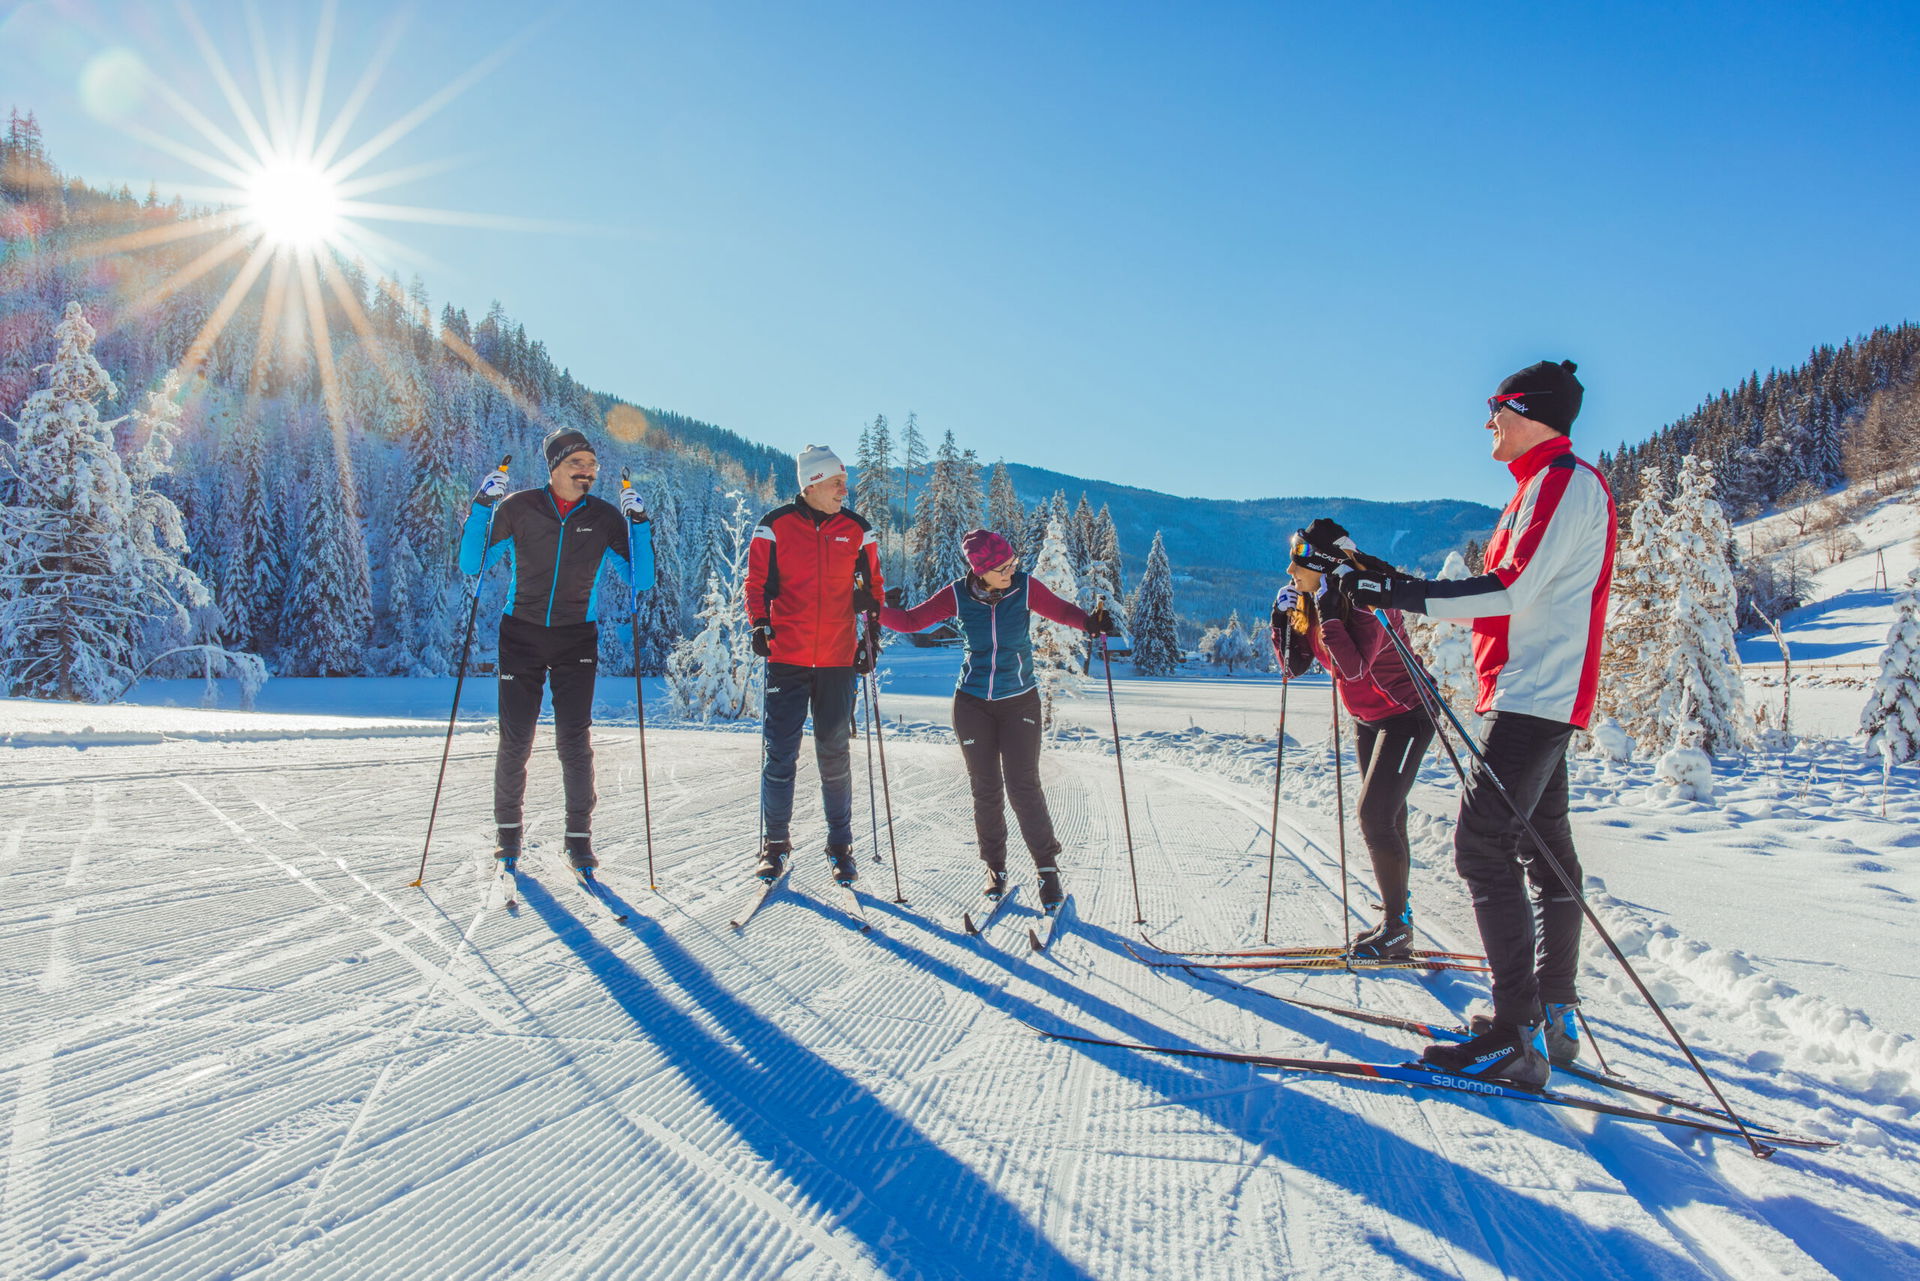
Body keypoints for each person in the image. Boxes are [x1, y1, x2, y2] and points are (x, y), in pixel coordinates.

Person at [1327, 359, 1614, 1090]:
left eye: (1497, 406)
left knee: (1482, 845)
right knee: (1546, 853)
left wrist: (1400, 590)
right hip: (1534, 693)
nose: (1487, 420)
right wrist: (1387, 577)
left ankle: (1514, 1032)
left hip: (1535, 695)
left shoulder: (1561, 482)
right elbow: (1504, 590)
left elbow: (1507, 591)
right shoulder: (1540, 487)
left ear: (1532, 411)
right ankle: (1550, 1010)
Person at [880, 529, 1118, 910]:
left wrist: (1091, 623)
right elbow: (910, 622)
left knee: (1023, 785)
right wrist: (868, 608)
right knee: (985, 789)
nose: (1012, 571)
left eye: (1013, 564)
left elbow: (1061, 611)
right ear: (981, 569)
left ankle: (1047, 868)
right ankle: (995, 867)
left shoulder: (1024, 588)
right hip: (971, 703)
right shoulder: (957, 595)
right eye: (1004, 567)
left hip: (1019, 701)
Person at [461, 428, 655, 871]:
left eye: (592, 465)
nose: (587, 472)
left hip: (575, 638)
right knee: (516, 740)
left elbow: (640, 580)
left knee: (574, 741)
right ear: (554, 467)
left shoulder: (606, 518)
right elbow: (472, 563)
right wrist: (481, 506)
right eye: (577, 464)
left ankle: (579, 837)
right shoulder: (520, 508)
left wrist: (639, 525)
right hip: (521, 634)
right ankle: (508, 834)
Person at [1271, 517, 1435, 959]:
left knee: (1375, 816)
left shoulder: (1367, 601)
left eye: (1298, 564)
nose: (1290, 573)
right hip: (1368, 718)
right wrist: (1282, 622)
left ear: (1323, 566)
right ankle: (1396, 916)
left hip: (1408, 714)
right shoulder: (1315, 599)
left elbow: (1354, 667)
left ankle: (1398, 929)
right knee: (1387, 816)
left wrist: (1324, 610)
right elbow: (1294, 666)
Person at [746, 444, 883, 886]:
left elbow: (874, 587)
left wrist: (870, 636)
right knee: (780, 755)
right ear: (811, 484)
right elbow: (756, 583)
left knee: (834, 753)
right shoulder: (775, 526)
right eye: (837, 482)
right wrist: (759, 625)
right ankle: (775, 845)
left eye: (844, 481)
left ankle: (840, 845)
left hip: (838, 661)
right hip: (787, 656)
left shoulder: (857, 530)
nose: (845, 489)